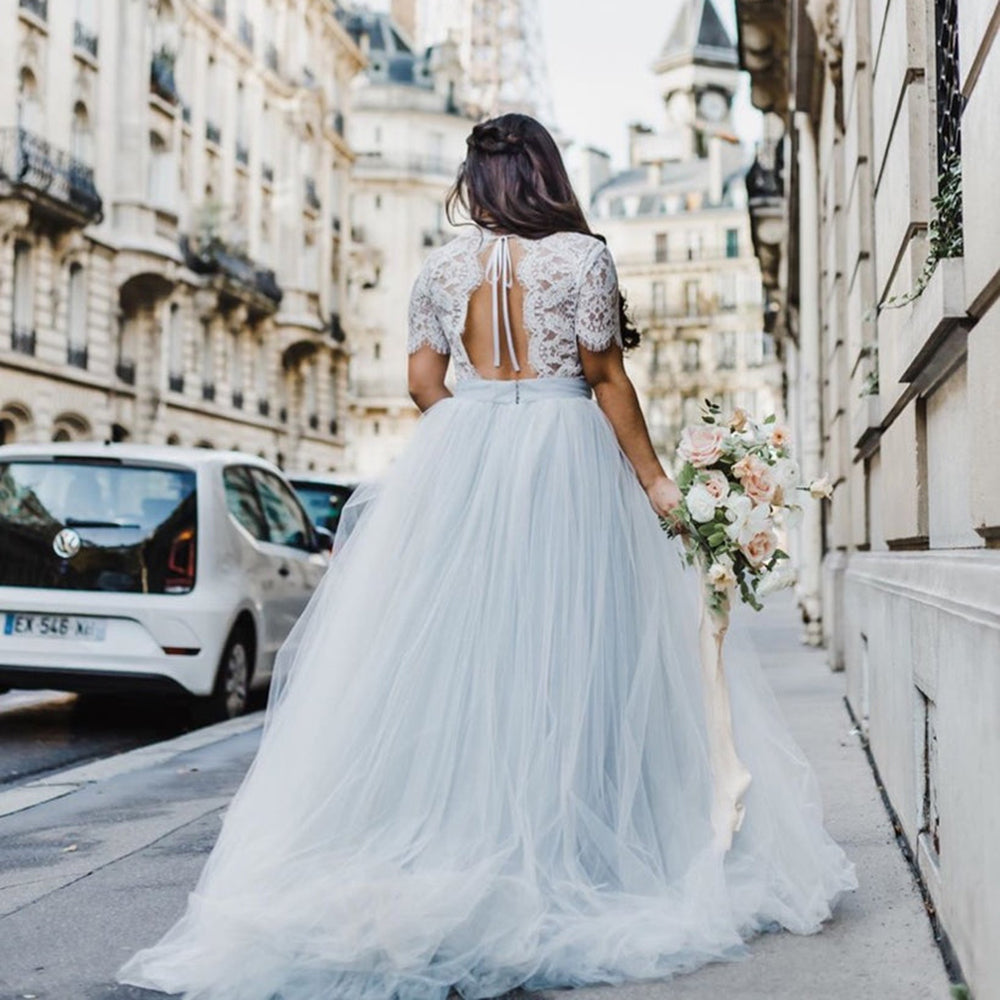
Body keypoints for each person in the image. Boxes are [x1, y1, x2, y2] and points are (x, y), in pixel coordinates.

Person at [118, 114, 856, 1000]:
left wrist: (479, 435)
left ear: (478, 182)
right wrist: (658, 483)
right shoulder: (581, 257)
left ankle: (454, 832)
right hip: (566, 453)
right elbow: (607, 376)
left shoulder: (440, 266)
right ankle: (579, 845)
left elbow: (423, 384)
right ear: (544, 175)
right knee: (576, 650)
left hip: (467, 456)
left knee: (459, 660)